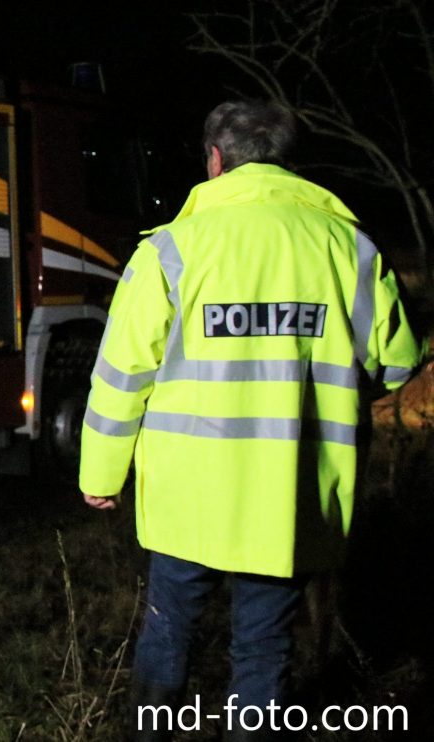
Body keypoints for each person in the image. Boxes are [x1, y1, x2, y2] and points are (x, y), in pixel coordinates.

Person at [78, 100, 424, 741]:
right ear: (286, 160)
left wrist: (102, 472)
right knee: (264, 648)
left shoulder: (172, 249)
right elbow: (400, 363)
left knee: (170, 628)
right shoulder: (350, 247)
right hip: (285, 497)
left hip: (187, 499)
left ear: (214, 160)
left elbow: (122, 375)